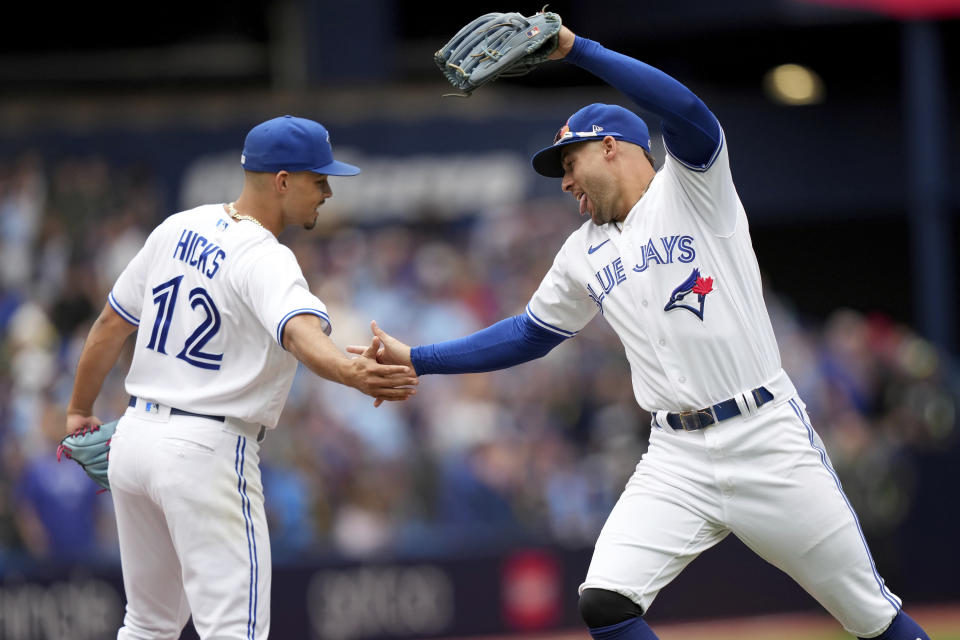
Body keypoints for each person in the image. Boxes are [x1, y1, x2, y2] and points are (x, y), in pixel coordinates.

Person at [356, 24, 930, 640]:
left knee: (871, 618)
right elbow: (529, 333)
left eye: (570, 162)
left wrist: (578, 52)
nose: (565, 182)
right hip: (676, 455)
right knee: (605, 600)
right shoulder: (582, 251)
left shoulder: (693, 190)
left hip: (765, 435)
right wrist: (421, 357)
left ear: (612, 148)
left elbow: (687, 110)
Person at [64, 115, 418, 640]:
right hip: (205, 449)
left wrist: (78, 409)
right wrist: (351, 371)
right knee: (236, 630)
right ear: (282, 180)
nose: (326, 192)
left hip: (135, 439)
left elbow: (112, 322)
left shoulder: (176, 226)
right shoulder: (265, 257)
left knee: (146, 624)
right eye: (319, 179)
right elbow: (299, 334)